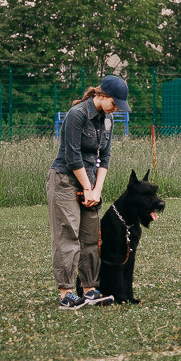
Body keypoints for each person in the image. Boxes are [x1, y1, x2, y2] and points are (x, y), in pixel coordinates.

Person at [48, 74, 130, 309]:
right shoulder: (77, 114)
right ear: (102, 95)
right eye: (114, 103)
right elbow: (72, 155)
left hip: (91, 184)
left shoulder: (108, 120)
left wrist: (96, 191)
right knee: (68, 236)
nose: (116, 108)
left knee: (91, 238)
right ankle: (66, 294)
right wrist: (86, 188)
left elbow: (106, 156)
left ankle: (90, 290)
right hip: (65, 180)